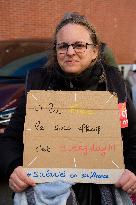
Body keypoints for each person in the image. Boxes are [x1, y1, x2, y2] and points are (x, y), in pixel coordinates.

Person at [0, 12, 136, 205]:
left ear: (95, 51)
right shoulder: (38, 85)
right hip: (46, 189)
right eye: (63, 46)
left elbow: (133, 138)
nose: (70, 52)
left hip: (102, 191)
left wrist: (132, 170)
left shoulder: (113, 85)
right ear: (56, 51)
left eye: (79, 45)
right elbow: (9, 139)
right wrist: (14, 167)